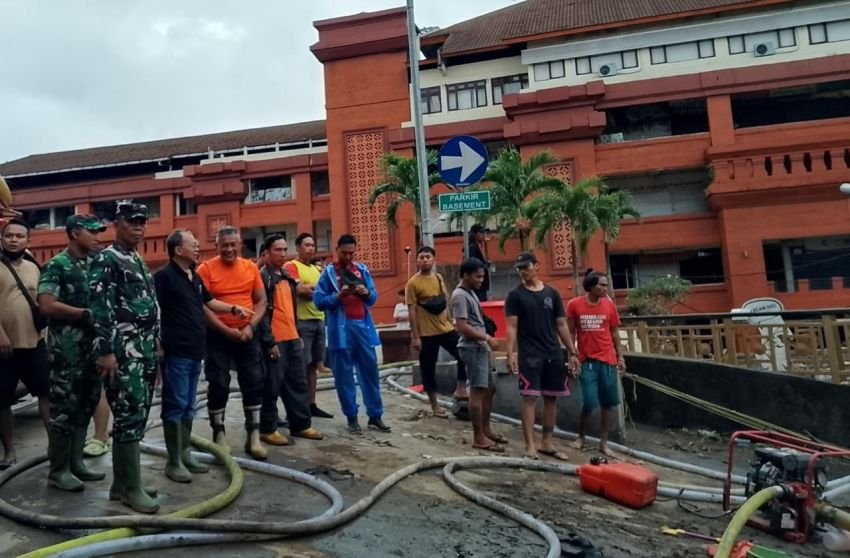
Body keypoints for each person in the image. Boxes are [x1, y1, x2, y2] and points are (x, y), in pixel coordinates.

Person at [154, 229, 255, 482]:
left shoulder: (194, 276)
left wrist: (233, 308)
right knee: (175, 404)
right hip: (176, 350)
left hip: (195, 350)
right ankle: (174, 460)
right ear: (178, 250)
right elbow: (154, 312)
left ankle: (186, 452)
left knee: (188, 404)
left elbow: (210, 303)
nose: (198, 248)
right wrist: (157, 343)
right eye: (193, 244)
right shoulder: (164, 277)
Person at [89, 202, 161, 513]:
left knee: (136, 416)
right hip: (122, 351)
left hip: (143, 350)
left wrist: (156, 344)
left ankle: (123, 485)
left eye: (142, 222)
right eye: (132, 222)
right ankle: (132, 489)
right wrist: (106, 352)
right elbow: (100, 308)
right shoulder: (108, 258)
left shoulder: (135, 258)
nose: (138, 227)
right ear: (117, 223)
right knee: (130, 416)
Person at [37, 215, 108, 491]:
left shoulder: (95, 263)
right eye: (92, 232)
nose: (97, 237)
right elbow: (47, 304)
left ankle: (76, 462)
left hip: (92, 350)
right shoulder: (58, 265)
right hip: (67, 352)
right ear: (75, 232)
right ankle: (58, 470)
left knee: (86, 404)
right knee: (64, 409)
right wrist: (83, 314)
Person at [197, 226, 268, 460]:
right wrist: (226, 330)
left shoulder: (250, 267)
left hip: (247, 334)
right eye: (224, 245)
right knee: (218, 382)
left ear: (240, 245)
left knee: (254, 380)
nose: (229, 248)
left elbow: (261, 301)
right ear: (216, 246)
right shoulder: (205, 269)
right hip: (217, 335)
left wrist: (250, 326)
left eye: (233, 244)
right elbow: (204, 306)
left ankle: (254, 436)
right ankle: (218, 434)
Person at [314, 234, 390, 434]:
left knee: (370, 372)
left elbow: (373, 298)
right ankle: (352, 417)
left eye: (351, 253)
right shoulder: (328, 273)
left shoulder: (362, 270)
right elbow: (319, 301)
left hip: (362, 328)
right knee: (344, 375)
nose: (348, 257)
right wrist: (337, 296)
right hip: (340, 329)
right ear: (336, 249)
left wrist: (366, 293)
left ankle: (375, 416)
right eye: (344, 253)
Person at [505, 252, 578, 461]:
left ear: (537, 266)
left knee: (552, 397)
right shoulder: (515, 295)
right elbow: (511, 326)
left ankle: (547, 443)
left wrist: (572, 351)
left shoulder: (552, 294)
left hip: (553, 352)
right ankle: (530, 446)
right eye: (519, 268)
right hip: (529, 355)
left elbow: (562, 324)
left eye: (526, 267)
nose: (523, 271)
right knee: (529, 397)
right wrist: (511, 353)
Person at [258, 234, 323, 447]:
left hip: (293, 338)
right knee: (272, 386)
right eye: (278, 250)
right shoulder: (263, 277)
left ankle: (301, 424)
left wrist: (296, 334)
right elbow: (261, 313)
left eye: (285, 249)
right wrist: (268, 341)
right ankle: (268, 428)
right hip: (275, 340)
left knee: (298, 383)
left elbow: (291, 309)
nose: (283, 254)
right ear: (266, 253)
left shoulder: (285, 276)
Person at [0, 219, 50, 470]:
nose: (14, 240)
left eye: (20, 236)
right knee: (2, 402)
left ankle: (55, 447)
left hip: (35, 343)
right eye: (9, 235)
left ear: (27, 241)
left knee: (47, 394)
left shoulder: (34, 267)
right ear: (2, 238)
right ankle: (9, 452)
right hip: (5, 348)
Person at [567, 269, 625, 457]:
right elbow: (571, 332)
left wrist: (620, 357)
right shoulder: (574, 305)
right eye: (602, 285)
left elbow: (615, 332)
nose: (605, 288)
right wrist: (572, 355)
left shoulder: (609, 305)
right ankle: (581, 437)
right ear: (591, 286)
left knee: (608, 404)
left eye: (606, 285)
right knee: (589, 403)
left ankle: (604, 442)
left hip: (608, 360)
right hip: (587, 361)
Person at [407, 246, 469, 416]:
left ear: (433, 259)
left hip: (446, 329)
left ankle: (461, 388)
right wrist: (415, 336)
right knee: (428, 369)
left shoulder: (439, 277)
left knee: (464, 353)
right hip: (426, 334)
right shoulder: (412, 283)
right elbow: (411, 310)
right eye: (421, 257)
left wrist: (451, 321)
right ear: (417, 260)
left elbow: (445, 301)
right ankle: (435, 405)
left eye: (428, 257)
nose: (425, 260)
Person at [451, 258, 501, 450]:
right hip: (472, 348)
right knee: (478, 392)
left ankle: (486, 430)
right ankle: (478, 436)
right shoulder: (460, 296)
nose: (481, 280)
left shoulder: (470, 292)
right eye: (478, 276)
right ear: (466, 275)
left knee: (490, 388)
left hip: (480, 347)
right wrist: (486, 338)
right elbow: (462, 327)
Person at [283, 233, 334, 419]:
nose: (311, 248)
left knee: (313, 366)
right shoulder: (291, 266)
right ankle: (298, 407)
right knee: (300, 367)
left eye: (313, 245)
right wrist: (315, 290)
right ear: (297, 247)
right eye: (307, 245)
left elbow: (327, 290)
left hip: (319, 319)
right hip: (302, 322)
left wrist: (312, 288)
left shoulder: (317, 269)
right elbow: (299, 290)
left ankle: (311, 404)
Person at [466, 224, 491, 301]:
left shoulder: (479, 245)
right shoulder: (472, 247)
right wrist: (484, 265)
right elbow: (472, 264)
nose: (484, 235)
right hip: (477, 285)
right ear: (474, 234)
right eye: (481, 233)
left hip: (481, 284)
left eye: (484, 233)